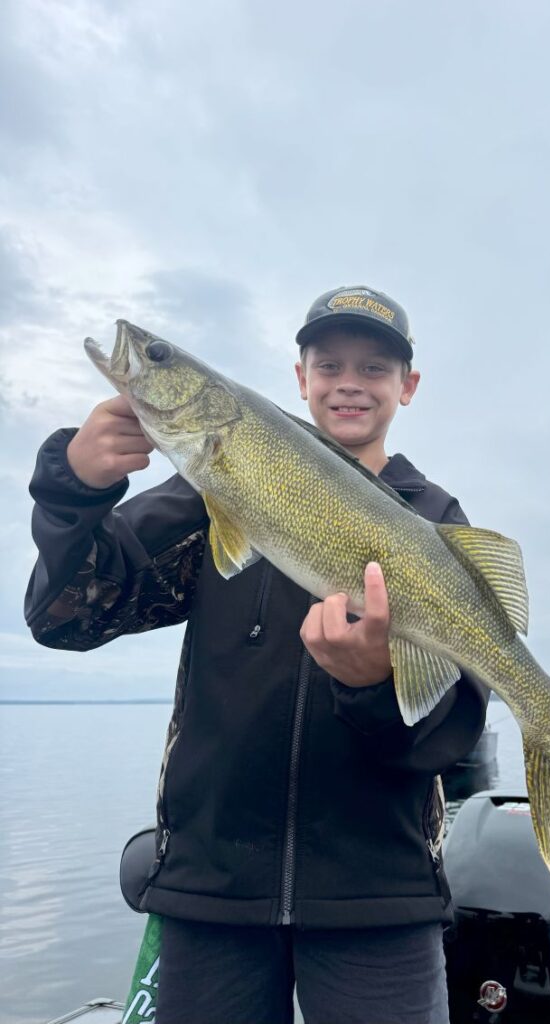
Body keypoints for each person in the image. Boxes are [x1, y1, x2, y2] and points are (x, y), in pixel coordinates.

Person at [24, 285, 488, 1024]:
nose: (349, 383)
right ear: (301, 378)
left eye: (374, 367)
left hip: (379, 899)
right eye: (329, 364)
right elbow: (67, 617)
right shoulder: (206, 493)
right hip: (211, 893)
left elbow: (449, 729)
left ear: (408, 386)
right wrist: (74, 491)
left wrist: (374, 685)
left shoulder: (434, 520)